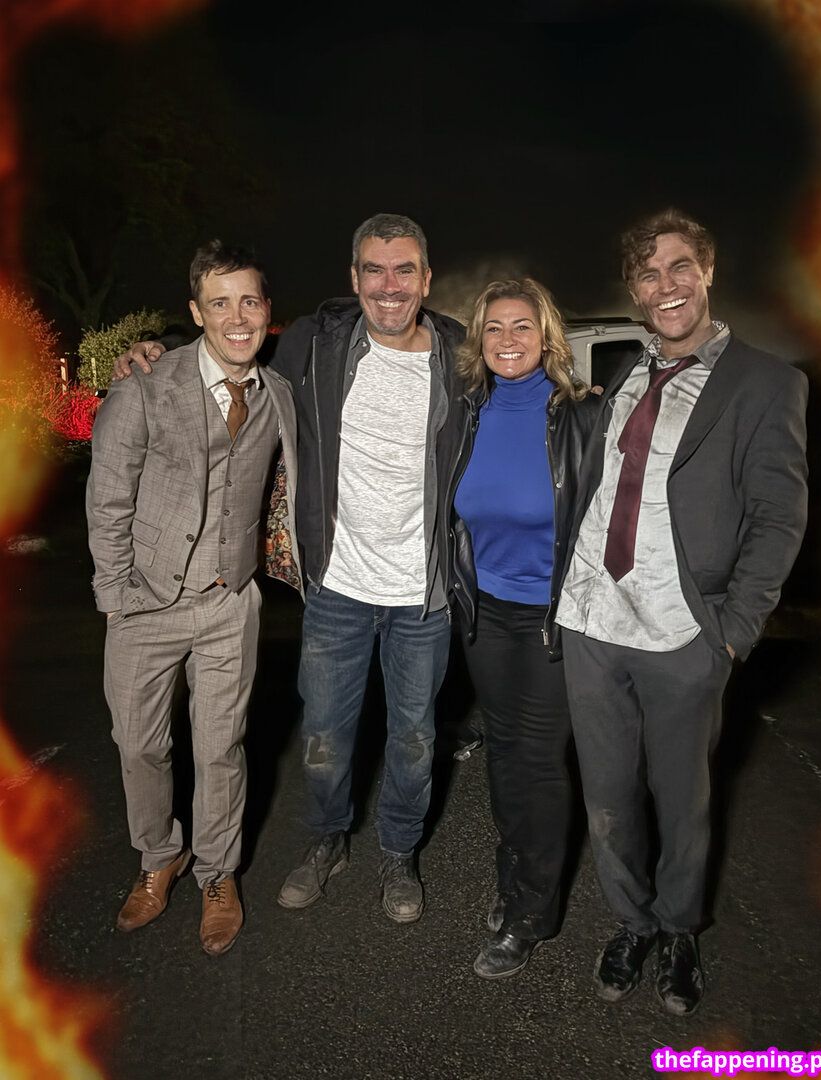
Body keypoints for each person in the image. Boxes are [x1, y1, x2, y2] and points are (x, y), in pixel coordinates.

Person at [115, 214, 468, 924]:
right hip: (337, 589)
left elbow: (524, 390)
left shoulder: (461, 358)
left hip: (423, 595)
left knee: (415, 738)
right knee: (324, 741)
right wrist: (162, 348)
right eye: (374, 269)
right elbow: (234, 346)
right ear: (353, 278)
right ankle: (328, 840)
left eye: (404, 270)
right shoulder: (318, 341)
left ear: (427, 280)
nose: (390, 285)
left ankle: (399, 851)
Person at [554, 209, 808, 1014]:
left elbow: (779, 518)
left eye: (678, 268)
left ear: (706, 272)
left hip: (682, 633)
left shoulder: (766, 384)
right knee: (607, 798)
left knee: (683, 801)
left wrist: (730, 635)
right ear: (633, 290)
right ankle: (631, 922)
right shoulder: (627, 377)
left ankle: (679, 928)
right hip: (592, 621)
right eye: (647, 274)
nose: (664, 286)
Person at [87, 240, 302, 955]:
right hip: (145, 602)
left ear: (267, 310)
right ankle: (159, 856)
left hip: (229, 603)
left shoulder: (278, 395)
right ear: (196, 311)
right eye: (220, 303)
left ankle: (217, 872)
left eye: (249, 301)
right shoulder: (146, 384)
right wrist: (115, 596)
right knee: (139, 745)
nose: (237, 317)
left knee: (221, 749)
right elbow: (107, 499)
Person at [449, 278, 600, 978]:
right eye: (494, 327)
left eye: (523, 326)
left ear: (547, 337)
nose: (508, 340)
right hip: (484, 612)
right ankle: (515, 877)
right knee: (505, 751)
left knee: (537, 762)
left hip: (551, 616)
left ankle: (532, 914)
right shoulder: (465, 413)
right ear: (478, 340)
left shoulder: (582, 415)